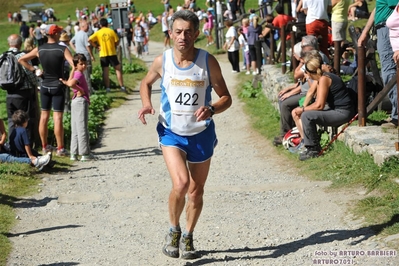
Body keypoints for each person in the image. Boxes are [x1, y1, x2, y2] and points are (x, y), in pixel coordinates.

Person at [137, 9, 232, 260]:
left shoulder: (207, 61)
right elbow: (145, 83)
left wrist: (211, 109)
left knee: (196, 190)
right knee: (181, 183)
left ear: (196, 34)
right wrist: (147, 103)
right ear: (170, 33)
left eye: (188, 32)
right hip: (171, 133)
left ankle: (189, 236)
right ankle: (174, 230)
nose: (183, 37)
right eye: (178, 32)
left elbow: (226, 98)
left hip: (200, 134)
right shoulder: (163, 61)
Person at [18, 24, 74, 156]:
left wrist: (35, 70)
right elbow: (74, 65)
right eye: (59, 32)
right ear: (54, 34)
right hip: (58, 86)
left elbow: (22, 59)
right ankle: (60, 148)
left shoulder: (40, 49)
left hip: (44, 86)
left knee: (43, 117)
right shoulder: (62, 49)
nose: (60, 34)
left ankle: (44, 146)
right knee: (58, 118)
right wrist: (68, 81)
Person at [291, 52, 355, 160]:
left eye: (307, 72)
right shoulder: (323, 77)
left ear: (311, 72)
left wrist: (302, 109)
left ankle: (313, 149)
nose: (307, 75)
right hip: (338, 109)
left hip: (342, 112)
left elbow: (319, 105)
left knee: (306, 116)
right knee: (306, 113)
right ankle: (308, 145)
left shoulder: (324, 79)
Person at [358, 1, 398, 128]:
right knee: (389, 71)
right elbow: (378, 7)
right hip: (384, 27)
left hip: (389, 27)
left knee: (389, 72)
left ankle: (397, 115)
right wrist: (365, 31)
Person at [5, 34, 40, 148]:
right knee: (26, 121)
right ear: (20, 44)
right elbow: (30, 75)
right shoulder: (22, 56)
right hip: (23, 93)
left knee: (11, 120)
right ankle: (27, 147)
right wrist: (37, 84)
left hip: (9, 93)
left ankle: (12, 146)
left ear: (8, 43)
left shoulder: (2, 56)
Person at [59, 54, 93, 162]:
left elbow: (69, 82)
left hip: (74, 101)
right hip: (80, 101)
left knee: (75, 128)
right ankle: (85, 153)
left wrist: (72, 70)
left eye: (85, 63)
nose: (84, 66)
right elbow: (71, 84)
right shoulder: (79, 75)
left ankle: (73, 153)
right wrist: (81, 90)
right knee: (82, 127)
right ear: (76, 65)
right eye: (81, 64)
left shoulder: (76, 73)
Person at [88, 18, 126, 93]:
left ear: (100, 25)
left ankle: (108, 88)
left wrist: (96, 46)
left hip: (103, 54)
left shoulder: (98, 32)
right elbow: (117, 41)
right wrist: (114, 45)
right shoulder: (111, 31)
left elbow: (89, 40)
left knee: (105, 71)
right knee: (117, 69)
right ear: (107, 24)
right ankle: (122, 86)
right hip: (112, 53)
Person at [70, 20, 95, 93]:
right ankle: (89, 90)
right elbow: (87, 46)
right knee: (87, 73)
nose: (88, 27)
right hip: (85, 56)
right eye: (87, 25)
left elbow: (71, 42)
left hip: (78, 56)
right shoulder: (84, 34)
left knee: (80, 73)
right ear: (83, 26)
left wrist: (75, 49)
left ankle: (82, 87)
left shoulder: (77, 34)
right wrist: (92, 55)